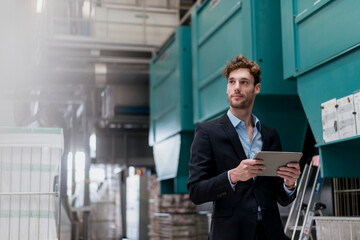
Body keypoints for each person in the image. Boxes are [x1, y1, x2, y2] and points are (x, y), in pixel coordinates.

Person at [187, 55, 301, 240]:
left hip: (270, 233)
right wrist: (233, 176)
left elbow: (280, 197)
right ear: (227, 88)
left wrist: (289, 184)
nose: (237, 87)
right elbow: (196, 192)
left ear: (257, 88)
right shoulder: (207, 133)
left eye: (244, 82)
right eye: (232, 82)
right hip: (231, 234)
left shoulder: (270, 135)